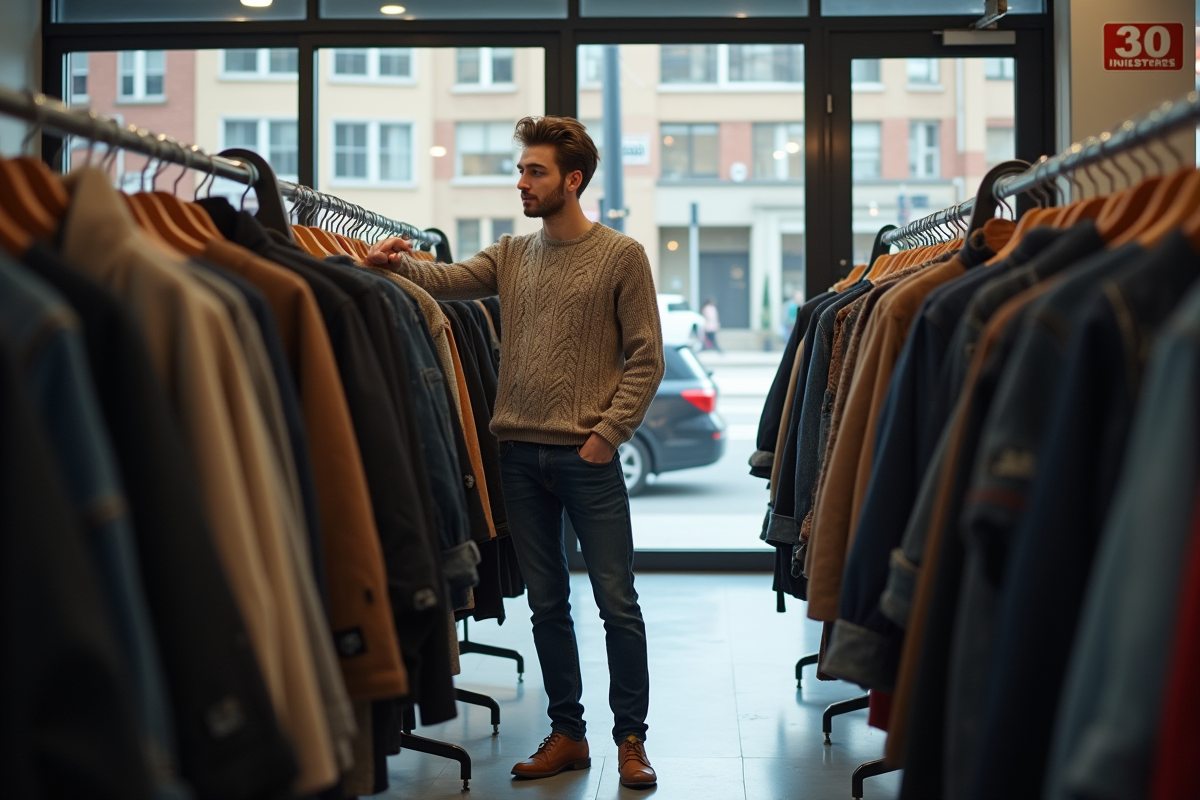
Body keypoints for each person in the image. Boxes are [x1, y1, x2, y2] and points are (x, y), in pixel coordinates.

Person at [365, 116, 664, 790]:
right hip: (518, 458)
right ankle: (568, 734)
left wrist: (606, 436)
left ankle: (631, 739)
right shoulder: (511, 254)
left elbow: (647, 359)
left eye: (535, 171)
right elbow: (446, 281)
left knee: (617, 601)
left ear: (573, 180)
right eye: (522, 169)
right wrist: (391, 264)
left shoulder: (622, 255)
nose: (522, 182)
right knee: (548, 605)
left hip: (587, 459)